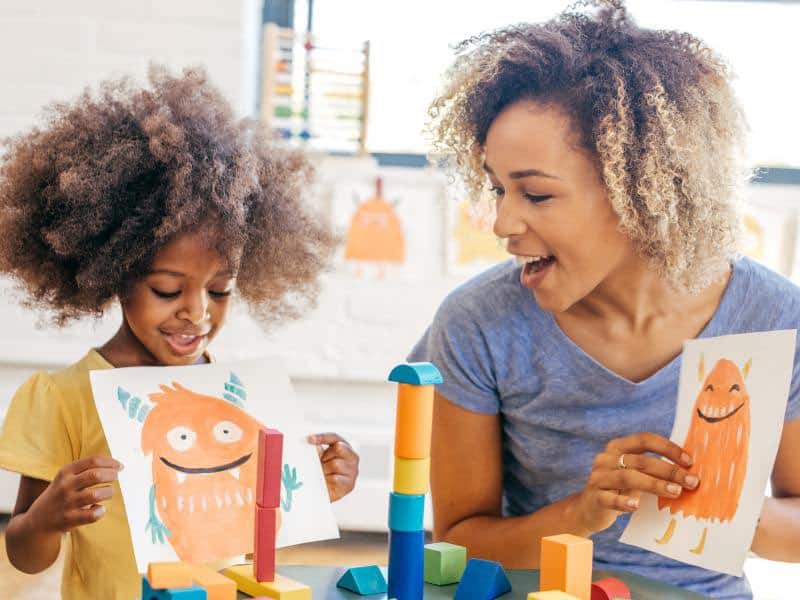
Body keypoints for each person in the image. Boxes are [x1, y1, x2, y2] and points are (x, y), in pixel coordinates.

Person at [409, 1, 800, 597]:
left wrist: (717, 503)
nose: (502, 223)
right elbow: (457, 541)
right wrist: (581, 514)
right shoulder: (477, 324)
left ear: (641, 191)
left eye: (535, 195)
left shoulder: (775, 318)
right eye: (497, 188)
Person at [0, 67, 359, 599]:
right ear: (114, 275)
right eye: (168, 291)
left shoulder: (233, 393)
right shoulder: (63, 398)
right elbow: (23, 557)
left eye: (219, 291)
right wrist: (48, 518)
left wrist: (319, 488)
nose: (197, 313)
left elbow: (253, 516)